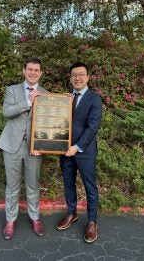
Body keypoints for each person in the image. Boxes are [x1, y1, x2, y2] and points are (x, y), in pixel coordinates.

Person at [0, 57, 48, 240]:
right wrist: (29, 102)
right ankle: (10, 220)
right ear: (24, 71)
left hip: (34, 148)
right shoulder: (12, 90)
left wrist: (42, 145)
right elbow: (7, 112)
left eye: (36, 70)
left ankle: (35, 218)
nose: (33, 72)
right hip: (11, 146)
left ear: (41, 73)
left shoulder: (46, 93)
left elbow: (47, 124)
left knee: (33, 185)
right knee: (12, 186)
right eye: (30, 69)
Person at [56, 61, 102, 243]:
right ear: (70, 78)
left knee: (90, 187)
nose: (78, 78)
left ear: (87, 77)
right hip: (64, 151)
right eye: (74, 75)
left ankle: (92, 221)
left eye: (81, 74)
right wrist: (62, 102)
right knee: (68, 184)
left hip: (84, 151)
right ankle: (71, 213)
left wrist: (76, 147)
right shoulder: (65, 98)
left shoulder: (94, 98)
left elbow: (93, 127)